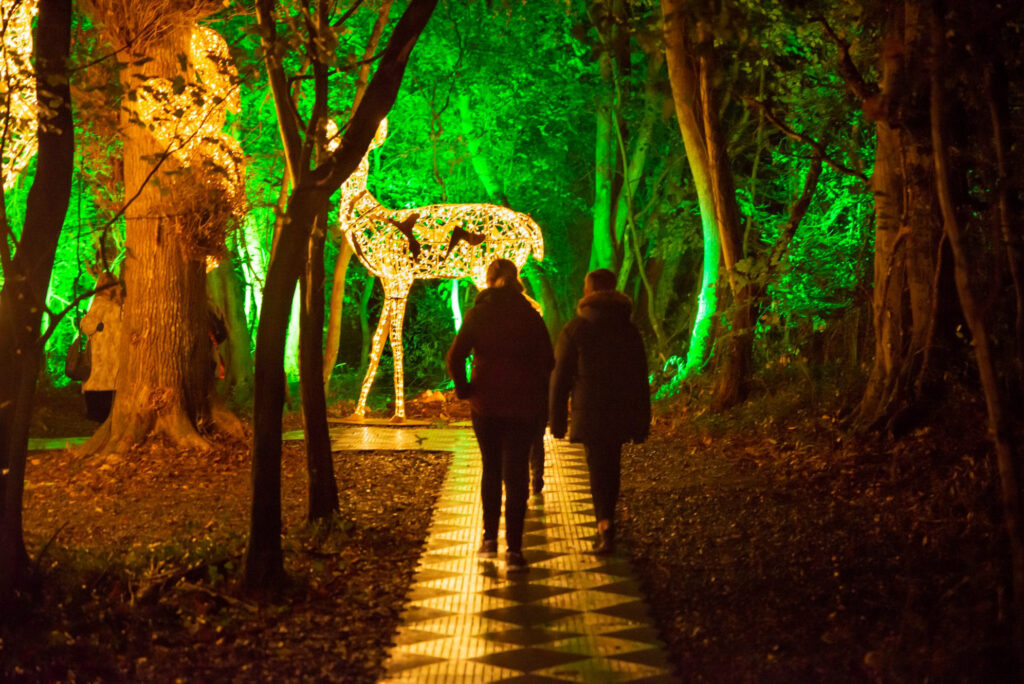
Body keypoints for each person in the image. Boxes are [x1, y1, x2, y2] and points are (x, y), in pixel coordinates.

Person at [446, 258, 554, 572]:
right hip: (522, 405)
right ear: (515, 280)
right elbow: (548, 360)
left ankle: (489, 538)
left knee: (491, 468)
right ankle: (515, 550)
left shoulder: (479, 314)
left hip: (486, 404)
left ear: (488, 280)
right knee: (516, 473)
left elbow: (455, 356)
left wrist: (465, 389)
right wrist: (536, 392)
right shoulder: (530, 316)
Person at [549, 268, 650, 555]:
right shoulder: (628, 329)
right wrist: (642, 421)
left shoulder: (576, 329)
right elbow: (639, 377)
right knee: (611, 464)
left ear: (589, 291)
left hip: (590, 410)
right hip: (620, 409)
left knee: (597, 465)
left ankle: (604, 524)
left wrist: (556, 419)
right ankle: (607, 521)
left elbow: (560, 377)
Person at [80, 272, 124, 422]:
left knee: (100, 402)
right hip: (112, 362)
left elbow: (87, 326)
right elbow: (88, 326)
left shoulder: (99, 303)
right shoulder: (120, 306)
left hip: (101, 361)